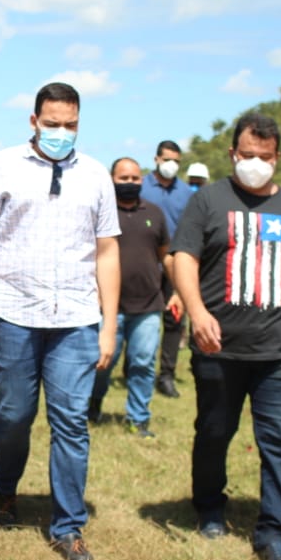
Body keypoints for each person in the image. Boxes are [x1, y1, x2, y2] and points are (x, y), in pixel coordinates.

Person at [0, 81, 119, 560]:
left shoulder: (95, 175)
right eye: (52, 124)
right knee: (13, 415)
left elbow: (108, 250)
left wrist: (109, 325)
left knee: (71, 421)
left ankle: (68, 525)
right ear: (33, 121)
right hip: (13, 312)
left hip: (75, 317)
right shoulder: (2, 166)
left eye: (70, 125)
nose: (61, 132)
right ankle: (5, 488)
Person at [171, 111, 281, 560]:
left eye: (265, 156)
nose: (255, 163)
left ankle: (274, 533)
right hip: (219, 348)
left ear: (278, 157)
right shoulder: (209, 201)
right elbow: (183, 258)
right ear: (232, 153)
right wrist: (197, 313)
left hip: (280, 351)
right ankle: (210, 508)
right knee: (215, 432)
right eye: (247, 155)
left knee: (280, 441)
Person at [87, 157, 179, 438]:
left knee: (142, 363)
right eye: (123, 178)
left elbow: (167, 256)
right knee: (102, 363)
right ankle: (91, 408)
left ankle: (138, 419)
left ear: (142, 180)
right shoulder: (100, 213)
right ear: (112, 179)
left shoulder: (155, 213)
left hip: (149, 305)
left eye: (135, 179)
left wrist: (176, 292)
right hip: (107, 308)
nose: (129, 183)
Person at [140, 139, 191, 399]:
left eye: (176, 161)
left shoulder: (186, 192)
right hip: (145, 263)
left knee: (174, 319)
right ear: (157, 159)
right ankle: (135, 370)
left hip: (175, 264)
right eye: (167, 159)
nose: (171, 165)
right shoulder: (141, 187)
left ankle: (167, 375)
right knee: (138, 317)